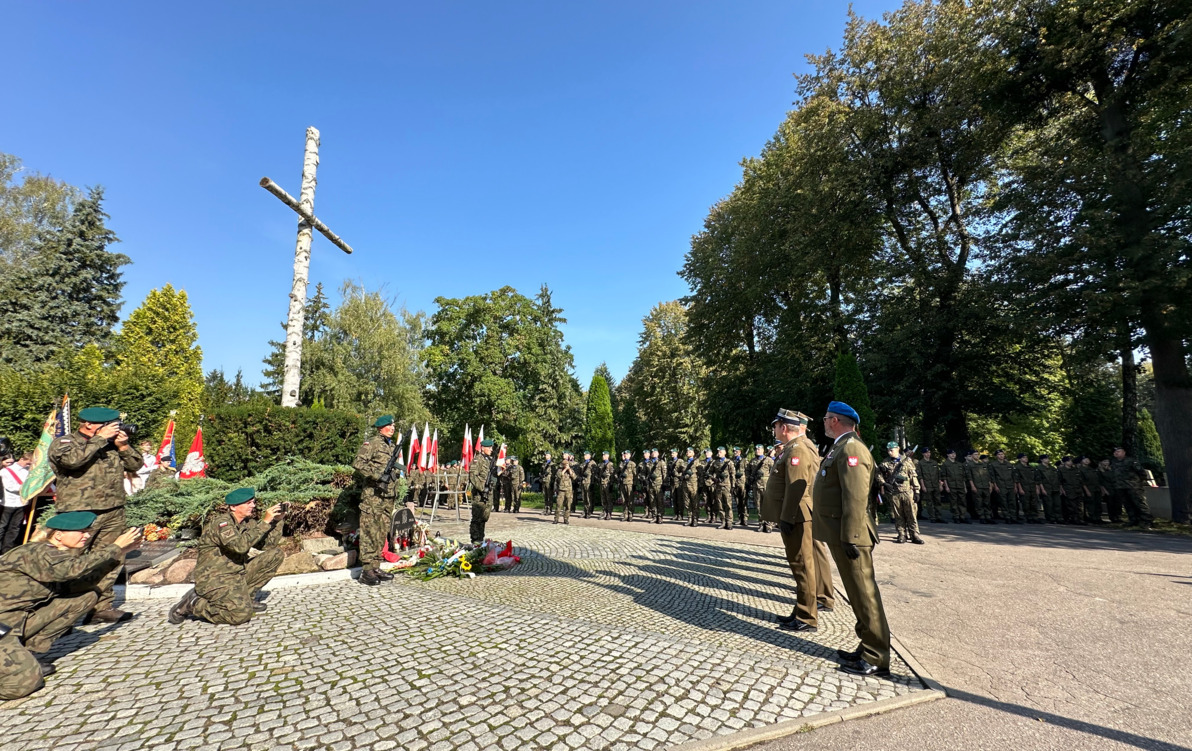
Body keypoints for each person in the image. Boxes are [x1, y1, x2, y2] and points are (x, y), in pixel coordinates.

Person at [0, 511, 142, 699]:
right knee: (24, 683)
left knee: (86, 596)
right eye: (81, 531)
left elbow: (79, 582)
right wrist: (115, 548)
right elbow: (70, 570)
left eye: (87, 531)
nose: (87, 535)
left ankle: (26, 655)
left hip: (15, 620)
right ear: (58, 535)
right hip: (3, 626)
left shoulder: (52, 554)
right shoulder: (37, 551)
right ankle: (19, 666)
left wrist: (118, 554)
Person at [813, 401, 891, 677]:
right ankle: (866, 644)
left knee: (865, 594)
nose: (823, 422)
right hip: (843, 533)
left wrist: (851, 536)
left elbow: (856, 497)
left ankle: (876, 656)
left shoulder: (852, 448)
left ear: (835, 420)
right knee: (857, 595)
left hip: (852, 535)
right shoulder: (841, 446)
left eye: (825, 418)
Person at [47, 405, 144, 623]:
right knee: (72, 560)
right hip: (78, 512)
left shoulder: (111, 445)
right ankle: (59, 613)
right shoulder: (65, 443)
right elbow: (72, 461)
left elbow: (136, 464)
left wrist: (124, 445)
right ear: (88, 424)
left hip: (113, 510)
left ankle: (101, 607)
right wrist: (99, 439)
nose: (113, 428)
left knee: (111, 557)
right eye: (108, 425)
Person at [169, 488, 285, 624]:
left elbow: (267, 545)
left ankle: (246, 597)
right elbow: (240, 546)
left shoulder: (248, 523)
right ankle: (194, 603)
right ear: (233, 507)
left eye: (253, 502)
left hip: (236, 574)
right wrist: (264, 522)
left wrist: (277, 521)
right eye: (248, 503)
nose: (253, 506)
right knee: (240, 615)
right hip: (214, 579)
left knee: (275, 554)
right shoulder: (222, 524)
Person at [761, 409, 822, 632]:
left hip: (797, 515)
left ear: (784, 427)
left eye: (776, 426)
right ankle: (801, 609)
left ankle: (807, 616)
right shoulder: (793, 448)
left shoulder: (798, 449)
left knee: (802, 564)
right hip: (795, 515)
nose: (774, 429)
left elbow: (797, 486)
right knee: (798, 564)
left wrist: (786, 517)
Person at [351, 415, 411, 586]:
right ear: (381, 427)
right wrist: (378, 475)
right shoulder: (372, 443)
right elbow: (358, 463)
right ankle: (366, 571)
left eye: (393, 425)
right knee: (370, 531)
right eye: (390, 425)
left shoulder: (389, 445)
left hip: (386, 496)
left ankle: (376, 565)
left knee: (381, 531)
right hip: (373, 496)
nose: (393, 428)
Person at [878, 442, 922, 544]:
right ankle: (902, 534)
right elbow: (878, 474)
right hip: (894, 492)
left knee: (911, 513)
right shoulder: (885, 462)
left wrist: (917, 491)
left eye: (891, 450)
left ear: (898, 449)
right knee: (898, 515)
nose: (890, 452)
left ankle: (914, 534)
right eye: (888, 450)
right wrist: (884, 483)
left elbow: (913, 476)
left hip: (907, 491)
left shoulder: (906, 460)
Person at [1110, 447, 1153, 529]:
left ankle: (1147, 521)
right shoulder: (1114, 462)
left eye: (1118, 451)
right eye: (1115, 452)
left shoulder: (1131, 461)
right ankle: (1133, 520)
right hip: (1121, 487)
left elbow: (1141, 472)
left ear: (1124, 452)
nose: (1116, 453)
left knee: (1140, 503)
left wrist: (1139, 482)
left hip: (1133, 486)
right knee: (1127, 504)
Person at [1, 452, 33, 554]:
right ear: (22, 459)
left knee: (15, 527)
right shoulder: (6, 471)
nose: (28, 466)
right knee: (2, 526)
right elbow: (9, 487)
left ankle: (7, 551)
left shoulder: (28, 471)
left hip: (21, 503)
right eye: (28, 463)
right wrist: (26, 488)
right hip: (8, 503)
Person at [467, 440, 498, 542]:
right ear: (482, 448)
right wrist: (482, 488)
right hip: (479, 494)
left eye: (491, 448)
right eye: (489, 448)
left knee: (484, 517)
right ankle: (475, 540)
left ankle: (481, 538)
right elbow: (472, 476)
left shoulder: (489, 460)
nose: (491, 450)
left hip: (488, 492)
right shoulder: (477, 459)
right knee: (477, 518)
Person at [748, 444, 775, 533]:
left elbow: (775, 472)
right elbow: (748, 472)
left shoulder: (769, 460)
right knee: (759, 506)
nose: (757, 451)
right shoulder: (752, 461)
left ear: (763, 450)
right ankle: (761, 523)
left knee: (767, 505)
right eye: (756, 449)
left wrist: (765, 476)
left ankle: (768, 525)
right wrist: (750, 478)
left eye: (759, 449)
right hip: (756, 486)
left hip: (766, 485)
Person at [964, 449, 993, 523]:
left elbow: (987, 476)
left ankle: (988, 516)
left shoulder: (982, 464)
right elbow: (969, 477)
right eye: (975, 454)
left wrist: (990, 485)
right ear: (972, 456)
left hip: (985, 485)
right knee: (978, 502)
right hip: (977, 486)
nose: (977, 456)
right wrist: (972, 486)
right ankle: (982, 516)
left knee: (987, 502)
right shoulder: (969, 465)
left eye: (977, 454)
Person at [940, 448, 968, 523]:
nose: (953, 455)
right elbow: (944, 476)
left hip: (960, 485)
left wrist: (965, 487)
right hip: (951, 485)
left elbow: (963, 477)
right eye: (951, 454)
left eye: (954, 454)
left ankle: (962, 516)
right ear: (948, 455)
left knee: (962, 501)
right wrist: (946, 486)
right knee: (954, 501)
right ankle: (956, 516)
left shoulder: (959, 464)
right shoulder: (945, 464)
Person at [916, 449, 944, 523]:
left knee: (938, 501)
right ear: (923, 454)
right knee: (929, 502)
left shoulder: (934, 462)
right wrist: (923, 486)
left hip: (935, 484)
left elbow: (938, 474)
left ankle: (939, 517)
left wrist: (940, 484)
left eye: (929, 452)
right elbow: (920, 476)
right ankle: (932, 517)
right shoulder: (920, 463)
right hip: (927, 485)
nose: (928, 454)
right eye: (926, 452)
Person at [989, 449, 1017, 523]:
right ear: (996, 456)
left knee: (1012, 502)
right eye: (999, 454)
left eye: (1002, 454)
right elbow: (993, 476)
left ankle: (1013, 517)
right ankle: (1007, 517)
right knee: (1003, 502)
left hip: (1010, 485)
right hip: (1001, 485)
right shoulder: (993, 464)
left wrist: (1015, 486)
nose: (1001, 456)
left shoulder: (1009, 464)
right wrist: (995, 486)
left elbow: (1013, 476)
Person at [1058, 456, 1087, 525]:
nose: (1070, 462)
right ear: (1065, 462)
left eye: (1071, 461)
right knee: (1071, 506)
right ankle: (1072, 518)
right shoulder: (1061, 470)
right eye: (1068, 461)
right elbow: (1060, 482)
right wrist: (1062, 490)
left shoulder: (1075, 470)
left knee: (1079, 506)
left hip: (1078, 489)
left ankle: (1080, 519)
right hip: (1069, 490)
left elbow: (1080, 480)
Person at [1035, 455, 1062, 523]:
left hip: (1055, 487)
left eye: (1048, 458)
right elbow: (1039, 480)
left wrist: (1060, 488)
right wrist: (1042, 489)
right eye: (1046, 458)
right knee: (1048, 504)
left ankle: (1058, 517)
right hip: (1046, 487)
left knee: (1057, 503)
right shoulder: (1039, 468)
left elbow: (1057, 479)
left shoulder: (1052, 468)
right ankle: (1050, 518)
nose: (1048, 460)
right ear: (1042, 460)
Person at [1013, 453, 1039, 522]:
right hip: (1024, 487)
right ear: (1020, 459)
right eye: (1024, 457)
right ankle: (1028, 516)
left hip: (1032, 487)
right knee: (1026, 503)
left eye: (1026, 457)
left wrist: (1037, 488)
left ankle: (1035, 516)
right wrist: (1020, 489)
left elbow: (1035, 479)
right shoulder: (1017, 467)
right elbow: (1017, 479)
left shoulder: (1030, 467)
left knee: (1034, 502)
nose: (1026, 459)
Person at [1078, 457, 1102, 523]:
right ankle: (1092, 518)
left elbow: (1097, 479)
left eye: (1088, 459)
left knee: (1098, 503)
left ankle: (1098, 517)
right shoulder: (1080, 470)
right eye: (1084, 460)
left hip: (1096, 488)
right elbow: (1082, 482)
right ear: (1081, 461)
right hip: (1089, 488)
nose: (1087, 461)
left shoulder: (1092, 469)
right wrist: (1087, 490)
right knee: (1090, 504)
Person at [554, 454, 576, 525]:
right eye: (564, 464)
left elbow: (574, 477)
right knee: (558, 505)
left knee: (568, 505)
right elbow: (559, 476)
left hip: (569, 490)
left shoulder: (570, 470)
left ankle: (566, 518)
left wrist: (569, 470)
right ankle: (556, 518)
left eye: (567, 464)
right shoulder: (560, 470)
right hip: (561, 490)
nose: (566, 465)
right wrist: (565, 469)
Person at [731, 447, 749, 528]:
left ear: (740, 452)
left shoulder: (744, 460)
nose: (735, 452)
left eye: (737, 451)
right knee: (737, 501)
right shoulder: (731, 460)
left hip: (743, 482)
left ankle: (745, 518)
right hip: (735, 483)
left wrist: (746, 480)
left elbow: (748, 470)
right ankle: (739, 518)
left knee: (744, 501)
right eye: (734, 451)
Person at [648, 449, 665, 523]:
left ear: (658, 454)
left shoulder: (661, 462)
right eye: (652, 452)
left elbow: (664, 474)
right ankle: (654, 516)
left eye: (655, 452)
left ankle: (660, 516)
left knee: (659, 501)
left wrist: (664, 484)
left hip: (659, 484)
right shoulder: (649, 462)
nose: (653, 454)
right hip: (651, 484)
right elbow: (645, 473)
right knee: (652, 501)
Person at [618, 450, 637, 521]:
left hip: (629, 484)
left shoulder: (632, 464)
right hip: (622, 483)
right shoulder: (621, 463)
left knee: (630, 500)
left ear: (630, 455)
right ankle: (625, 515)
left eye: (627, 454)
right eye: (625, 454)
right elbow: (618, 472)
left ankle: (630, 514)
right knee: (624, 500)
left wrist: (634, 484)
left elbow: (635, 475)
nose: (625, 455)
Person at [577, 450, 596, 518]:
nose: (585, 456)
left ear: (589, 456)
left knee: (588, 498)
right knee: (584, 497)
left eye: (586, 455)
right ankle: (585, 510)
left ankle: (589, 511)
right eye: (584, 455)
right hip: (583, 482)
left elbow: (594, 474)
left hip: (589, 482)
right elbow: (579, 472)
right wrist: (580, 478)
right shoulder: (582, 464)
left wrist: (592, 483)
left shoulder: (592, 463)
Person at [598, 450, 616, 520]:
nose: (603, 456)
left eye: (604, 455)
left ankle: (609, 513)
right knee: (603, 499)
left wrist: (611, 483)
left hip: (607, 484)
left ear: (607, 456)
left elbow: (613, 474)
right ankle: (604, 511)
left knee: (609, 499)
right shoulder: (601, 464)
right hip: (602, 483)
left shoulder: (610, 464)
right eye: (603, 455)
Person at [540, 452, 556, 516]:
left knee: (550, 496)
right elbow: (541, 472)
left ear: (550, 456)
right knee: (545, 496)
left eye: (547, 455)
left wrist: (553, 483)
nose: (546, 456)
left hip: (549, 482)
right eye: (545, 455)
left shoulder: (552, 464)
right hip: (544, 481)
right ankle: (545, 508)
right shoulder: (544, 464)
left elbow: (554, 474)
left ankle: (550, 509)